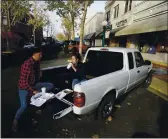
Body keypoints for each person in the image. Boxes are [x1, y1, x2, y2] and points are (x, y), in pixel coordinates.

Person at [12, 48, 54, 132]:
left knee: (50, 85)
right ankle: (15, 121)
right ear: (34, 54)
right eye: (40, 54)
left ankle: (41, 103)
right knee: (24, 106)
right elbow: (24, 82)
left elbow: (37, 74)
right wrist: (33, 91)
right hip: (24, 88)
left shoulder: (37, 62)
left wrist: (39, 74)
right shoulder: (26, 65)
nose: (41, 56)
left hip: (33, 85)